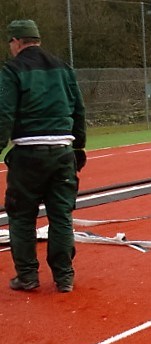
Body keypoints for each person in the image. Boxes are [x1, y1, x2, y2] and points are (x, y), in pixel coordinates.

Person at [0, 19, 86, 293]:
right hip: (62, 152)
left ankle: (27, 275)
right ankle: (64, 277)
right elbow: (79, 109)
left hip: (28, 154)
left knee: (22, 216)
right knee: (61, 216)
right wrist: (79, 147)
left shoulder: (12, 70)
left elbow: (4, 114)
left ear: (16, 41)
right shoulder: (63, 68)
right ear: (37, 39)